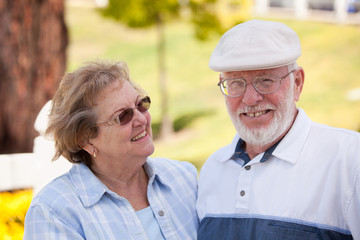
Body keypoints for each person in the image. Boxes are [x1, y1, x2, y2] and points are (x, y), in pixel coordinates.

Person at [196, 19, 360, 240]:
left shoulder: (349, 161)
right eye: (235, 83)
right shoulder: (212, 171)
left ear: (297, 83)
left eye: (265, 80)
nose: (251, 99)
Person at [24, 60, 198, 239]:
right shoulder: (54, 212)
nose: (142, 119)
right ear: (85, 139)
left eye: (141, 105)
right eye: (123, 116)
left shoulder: (184, 178)